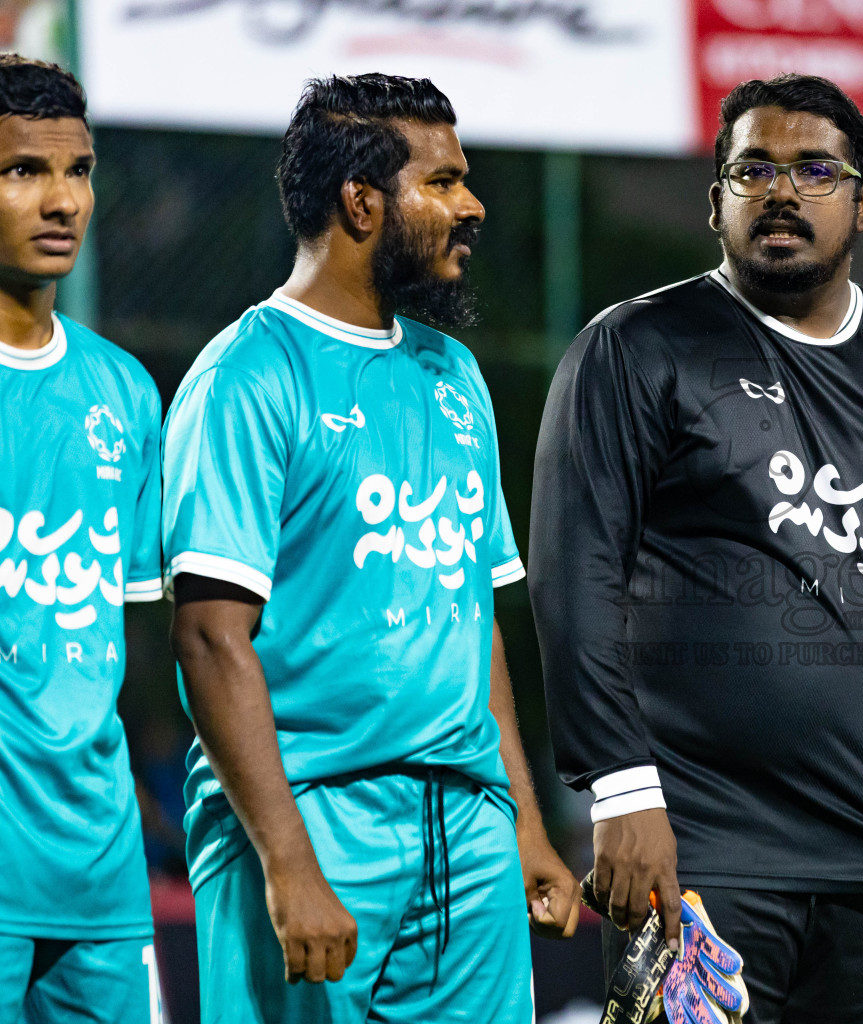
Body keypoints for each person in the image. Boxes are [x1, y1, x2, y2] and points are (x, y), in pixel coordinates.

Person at [530, 73, 863, 1023]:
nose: (780, 191)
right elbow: (575, 576)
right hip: (698, 855)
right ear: (716, 199)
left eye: (815, 169)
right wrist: (618, 787)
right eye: (752, 169)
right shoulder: (637, 348)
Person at [161, 74, 578, 1023]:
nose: (472, 205)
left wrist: (521, 822)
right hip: (312, 818)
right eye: (443, 183)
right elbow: (210, 642)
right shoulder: (245, 375)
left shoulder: (456, 376)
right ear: (361, 203)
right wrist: (289, 862)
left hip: (466, 834)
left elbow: (473, 624)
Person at [0, 54, 166, 1024]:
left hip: (100, 877)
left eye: (79, 169)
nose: (62, 199)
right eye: (24, 170)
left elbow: (131, 649)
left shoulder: (125, 393)